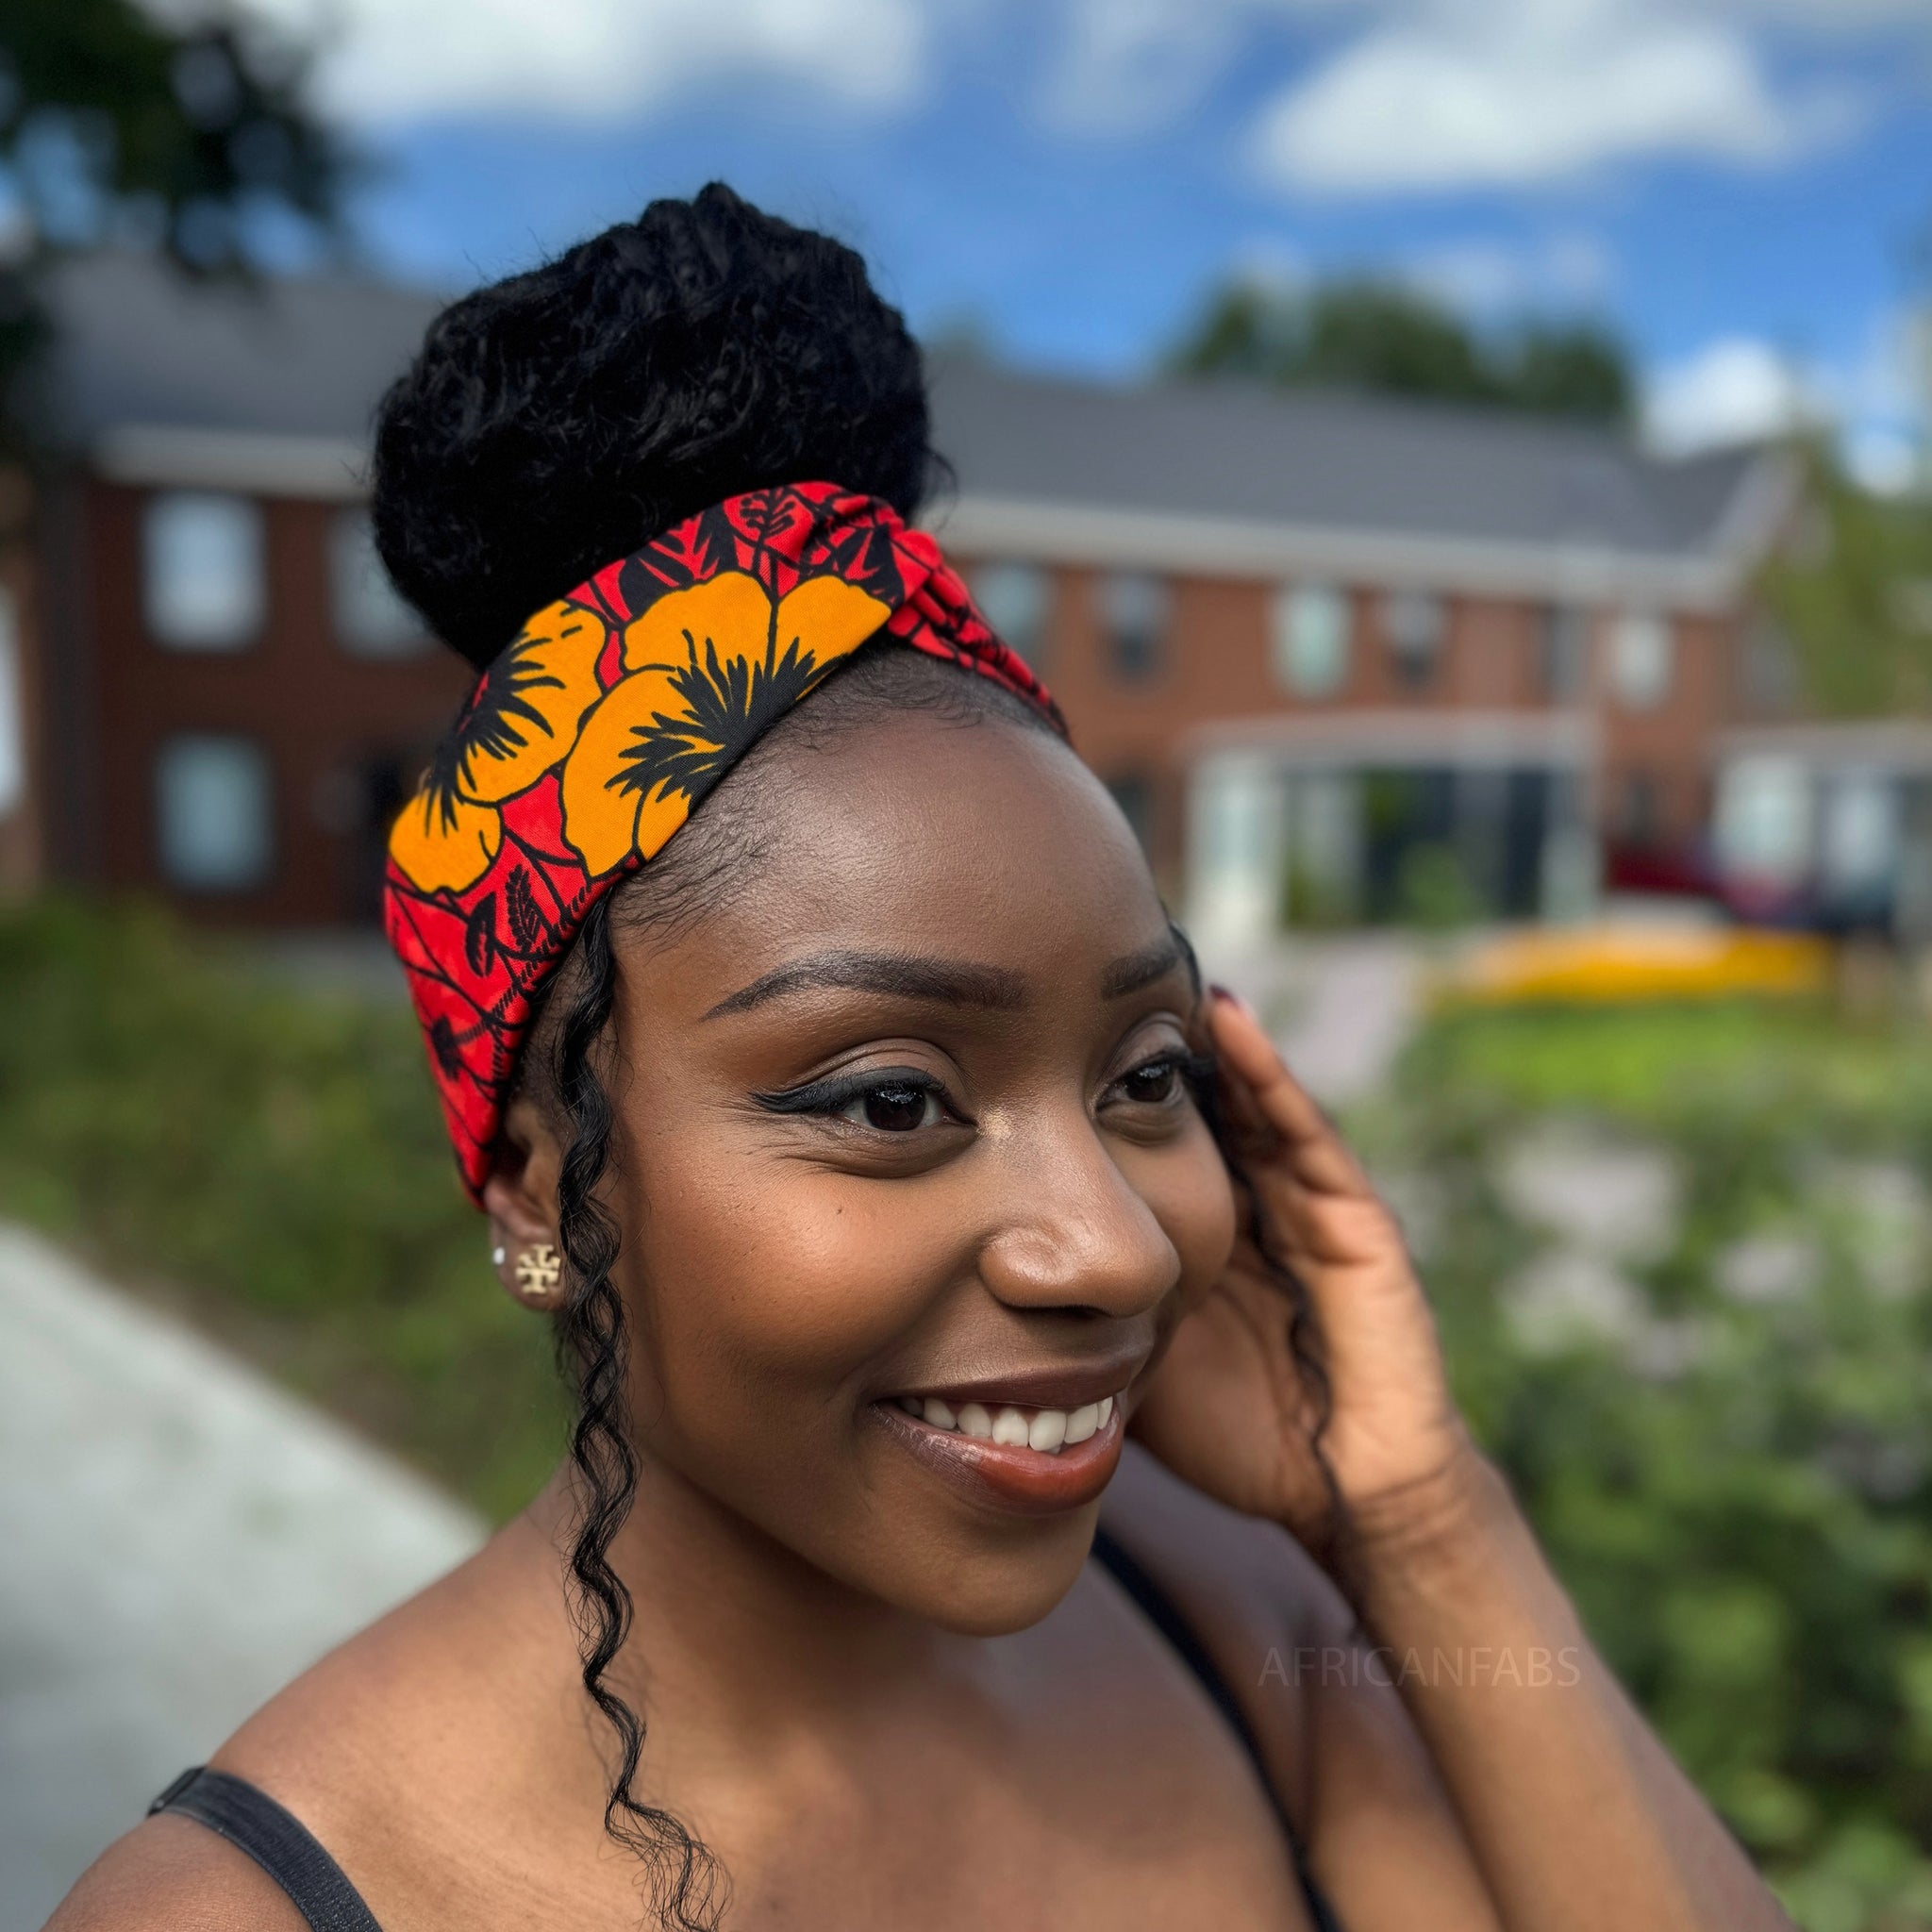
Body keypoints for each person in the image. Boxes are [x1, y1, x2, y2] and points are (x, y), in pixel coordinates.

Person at [48, 185, 1792, 1932]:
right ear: (541, 1177)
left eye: (1145, 1076)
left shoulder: (1239, 1633)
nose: (1113, 1243)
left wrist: (1417, 1516)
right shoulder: (252, 1913)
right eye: (893, 1099)